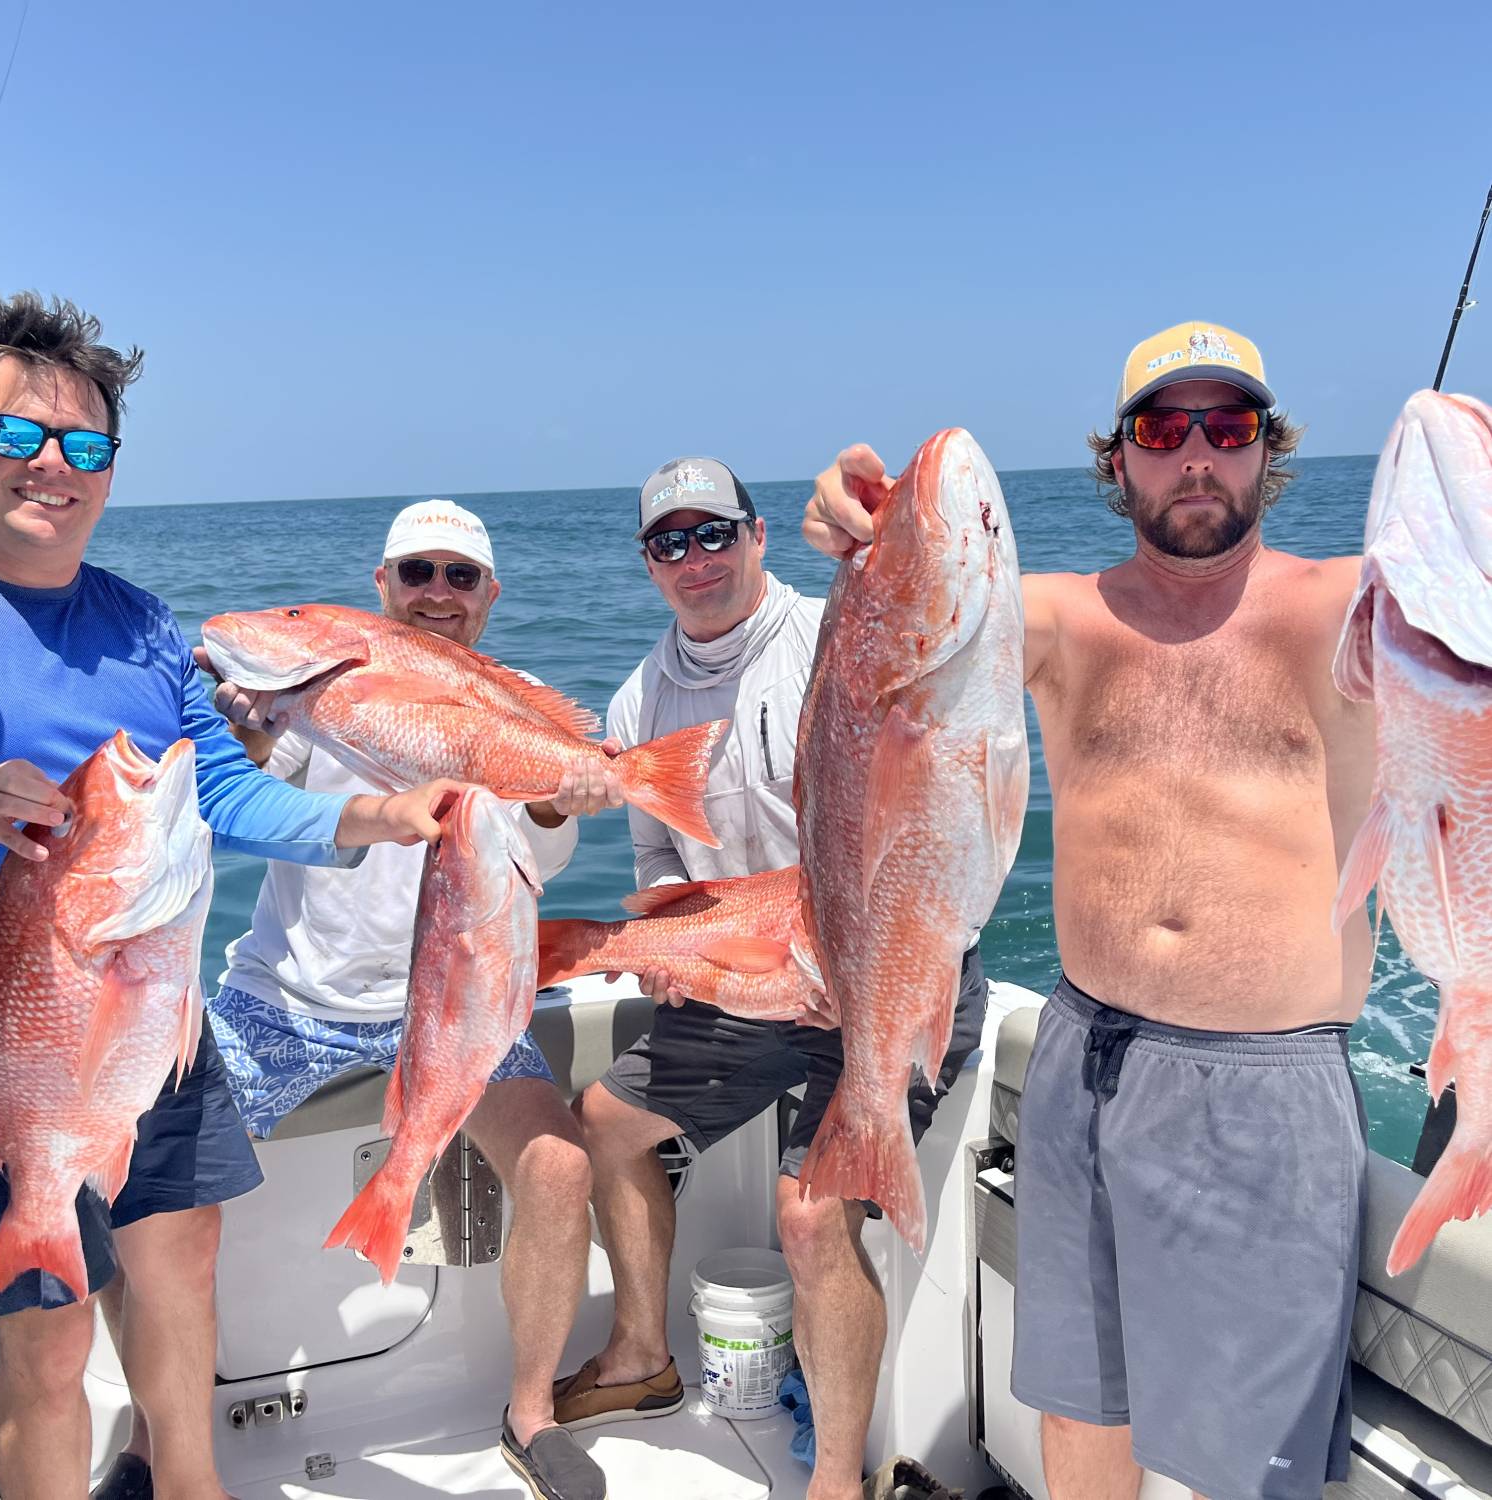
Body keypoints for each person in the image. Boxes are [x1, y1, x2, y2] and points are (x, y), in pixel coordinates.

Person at [802, 322, 1377, 1500]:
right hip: (1081, 1059)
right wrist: (857, 536)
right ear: (1119, 462)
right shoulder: (1052, 618)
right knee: (1078, 1413)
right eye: (1166, 431)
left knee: (1245, 1468)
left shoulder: (1351, 610)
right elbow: (911, 647)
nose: (1200, 457)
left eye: (1232, 428)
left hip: (1265, 1086)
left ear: (1273, 452)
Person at [0, 292, 458, 1500]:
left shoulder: (147, 626)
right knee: (45, 1338)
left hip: (155, 1012)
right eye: (18, 437)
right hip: (23, 1045)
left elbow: (224, 801)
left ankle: (188, 1486)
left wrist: (374, 817)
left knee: (184, 1268)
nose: (54, 467)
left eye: (85, 446)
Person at [562, 456, 987, 1500]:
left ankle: (836, 1478)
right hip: (746, 973)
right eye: (672, 542)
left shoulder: (833, 642)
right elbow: (660, 868)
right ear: (649, 563)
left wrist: (875, 524)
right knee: (605, 1120)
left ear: (757, 537)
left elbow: (925, 745)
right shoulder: (638, 697)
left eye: (716, 533)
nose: (696, 558)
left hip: (885, 976)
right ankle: (639, 1355)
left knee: (808, 1217)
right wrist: (671, 957)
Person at [196, 499, 622, 1500]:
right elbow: (251, 796)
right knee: (162, 1184)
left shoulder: (519, 717)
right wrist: (244, 730)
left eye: (460, 576)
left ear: (489, 598)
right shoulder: (319, 694)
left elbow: (540, 858)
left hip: (460, 1004)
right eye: (417, 572)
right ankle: (152, 1437)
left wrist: (563, 792)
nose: (438, 592)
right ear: (381, 587)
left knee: (560, 1168)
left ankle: (529, 1415)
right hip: (285, 999)